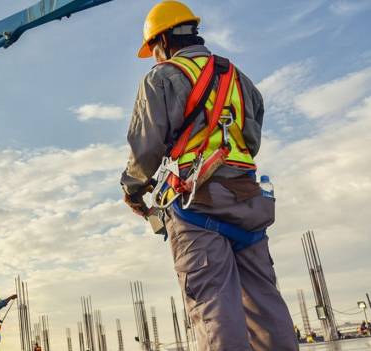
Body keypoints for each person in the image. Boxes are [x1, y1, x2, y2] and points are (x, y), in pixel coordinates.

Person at [120, 1, 297, 350]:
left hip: (195, 204)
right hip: (248, 202)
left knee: (214, 306)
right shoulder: (237, 78)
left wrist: (133, 188)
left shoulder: (162, 77)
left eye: (154, 49)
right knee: (266, 304)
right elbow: (251, 140)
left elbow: (146, 147)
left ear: (163, 42)